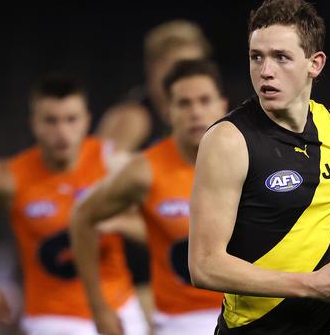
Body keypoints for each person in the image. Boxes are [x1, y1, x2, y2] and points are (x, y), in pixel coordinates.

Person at [188, 0, 330, 334]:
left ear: (315, 63)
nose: (265, 71)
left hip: (327, 312)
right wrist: (312, 284)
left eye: (281, 57)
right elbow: (205, 266)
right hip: (257, 325)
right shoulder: (228, 140)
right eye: (256, 57)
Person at [0, 74, 148, 335]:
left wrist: (118, 222)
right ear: (34, 124)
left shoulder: (112, 165)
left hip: (120, 307)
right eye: (51, 121)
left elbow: (154, 228)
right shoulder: (10, 177)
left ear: (86, 121)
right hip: (53, 317)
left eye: (71, 119)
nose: (62, 132)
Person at [71, 59, 228, 335]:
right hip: (180, 322)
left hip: (247, 315)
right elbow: (82, 216)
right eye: (184, 103)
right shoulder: (145, 170)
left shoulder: (250, 161)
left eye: (204, 101)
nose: (196, 112)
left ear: (222, 105)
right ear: (168, 111)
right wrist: (98, 307)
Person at [97, 20, 213, 151]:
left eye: (195, 69)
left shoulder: (206, 116)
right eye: (178, 70)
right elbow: (100, 170)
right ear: (153, 68)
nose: (189, 79)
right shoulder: (133, 119)